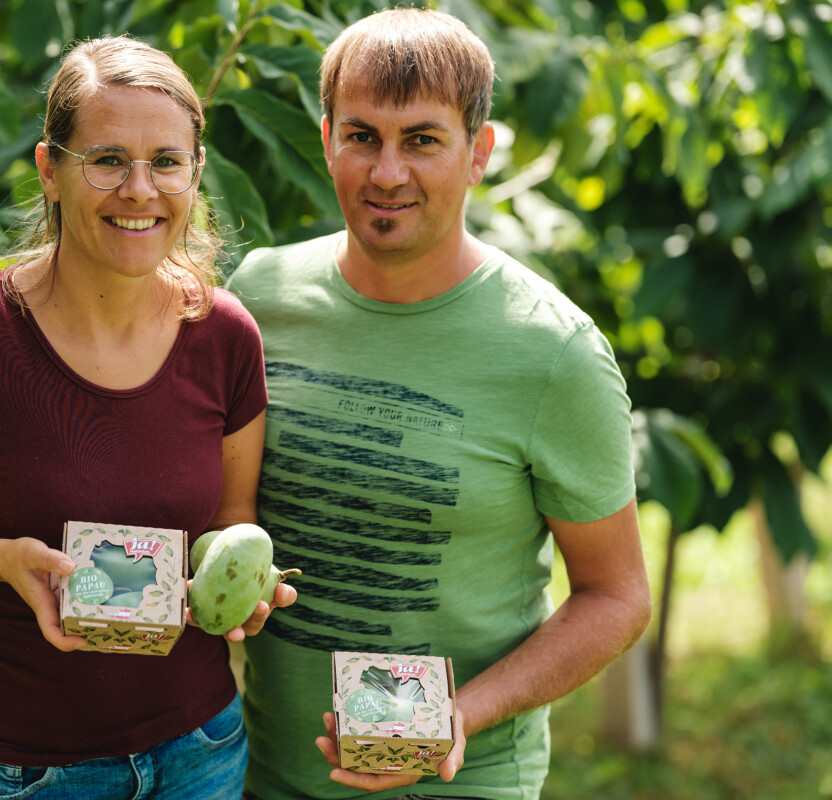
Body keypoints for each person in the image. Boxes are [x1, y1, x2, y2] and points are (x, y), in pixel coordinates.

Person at [0, 35, 295, 800]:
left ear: (195, 173)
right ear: (51, 170)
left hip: (199, 752)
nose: (140, 190)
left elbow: (229, 524)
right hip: (21, 771)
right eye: (107, 160)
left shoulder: (224, 337)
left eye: (167, 162)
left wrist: (242, 594)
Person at [224, 8, 652, 800]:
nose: (387, 173)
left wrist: (464, 714)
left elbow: (618, 596)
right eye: (362, 137)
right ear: (325, 141)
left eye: (421, 140)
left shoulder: (552, 351)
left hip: (462, 782)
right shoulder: (258, 298)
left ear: (479, 152)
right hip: (265, 778)